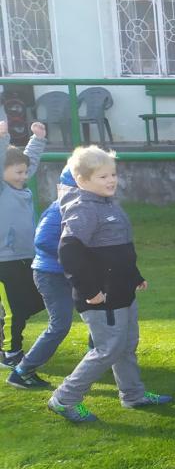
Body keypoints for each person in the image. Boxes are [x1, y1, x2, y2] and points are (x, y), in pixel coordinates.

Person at [47, 145, 173, 423]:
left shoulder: (107, 204)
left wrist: (134, 276)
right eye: (102, 176)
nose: (111, 180)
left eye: (113, 174)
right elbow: (69, 252)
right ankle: (64, 399)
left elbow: (118, 250)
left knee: (126, 345)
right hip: (101, 297)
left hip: (122, 291)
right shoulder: (83, 208)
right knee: (107, 349)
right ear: (82, 180)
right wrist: (90, 291)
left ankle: (133, 395)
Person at [8, 165, 77, 390]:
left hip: (69, 273)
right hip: (51, 276)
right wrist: (74, 256)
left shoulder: (81, 206)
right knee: (60, 325)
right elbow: (43, 240)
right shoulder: (59, 209)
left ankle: (97, 356)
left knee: (98, 312)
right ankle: (22, 371)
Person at [0, 119, 48, 369]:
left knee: (37, 300)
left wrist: (37, 140)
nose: (24, 176)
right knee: (15, 311)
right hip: (4, 261)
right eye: (18, 172)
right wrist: (3, 140)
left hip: (26, 257)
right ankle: (11, 354)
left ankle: (5, 336)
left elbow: (29, 162)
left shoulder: (21, 188)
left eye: (24, 172)